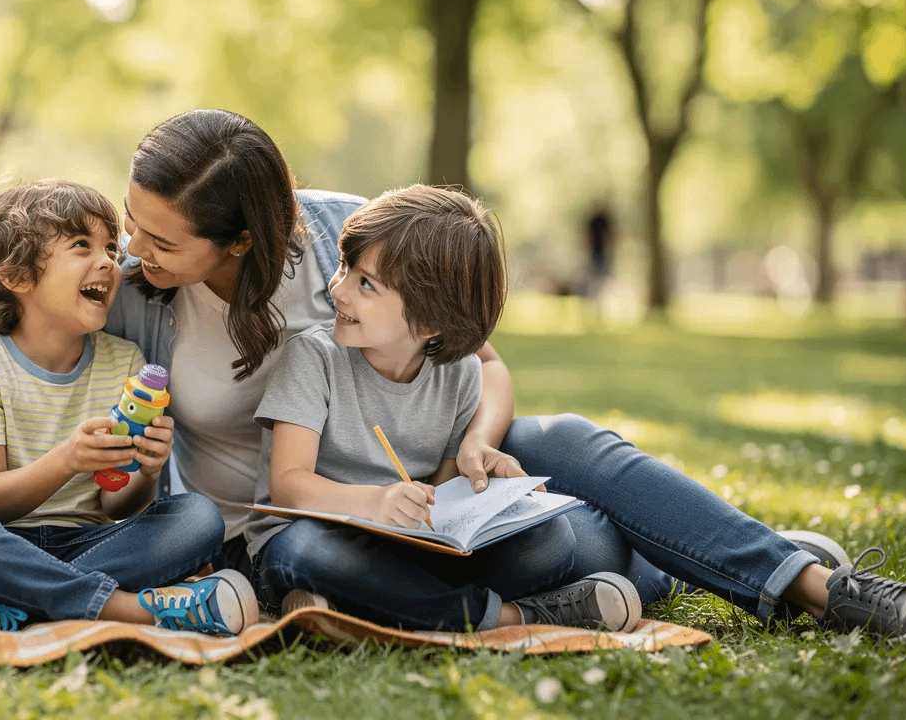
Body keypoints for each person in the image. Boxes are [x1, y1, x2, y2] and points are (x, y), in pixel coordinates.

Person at [0, 109, 906, 644]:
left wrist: (470, 445)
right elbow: (3, 372)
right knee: (590, 544)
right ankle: (626, 576)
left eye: (160, 235)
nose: (132, 249)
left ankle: (817, 585)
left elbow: (480, 359)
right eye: (132, 227)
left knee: (566, 437)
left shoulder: (351, 239)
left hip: (439, 487)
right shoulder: (134, 290)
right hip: (301, 518)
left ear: (239, 236)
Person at [247, 184, 641, 632]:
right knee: (309, 554)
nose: (338, 289)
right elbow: (288, 487)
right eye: (343, 266)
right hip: (307, 537)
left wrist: (486, 495)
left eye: (365, 284)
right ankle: (510, 617)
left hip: (406, 554)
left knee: (550, 543)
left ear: (430, 321)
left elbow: (443, 493)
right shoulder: (313, 358)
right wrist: (375, 502)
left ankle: (355, 606)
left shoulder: (459, 375)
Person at [0, 179, 258, 637]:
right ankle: (129, 610)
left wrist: (145, 472)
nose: (110, 262)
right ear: (17, 276)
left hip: (88, 545)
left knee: (197, 518)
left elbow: (115, 507)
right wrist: (66, 460)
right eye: (81, 245)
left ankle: (0, 607)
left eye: (111, 247)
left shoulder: (124, 362)